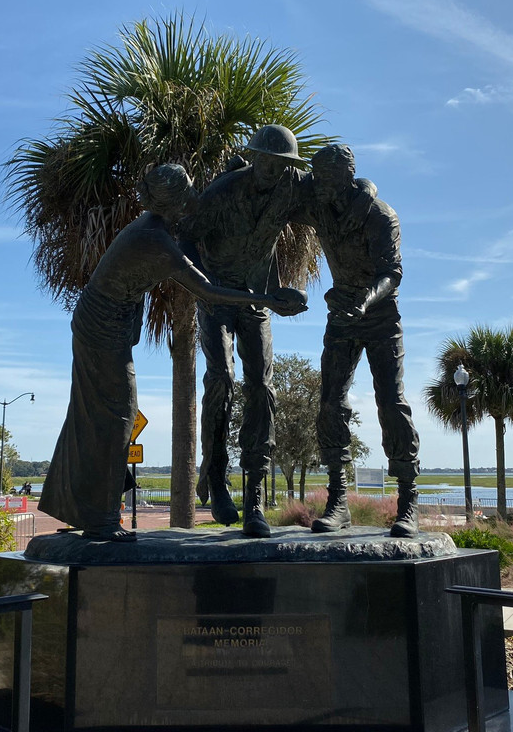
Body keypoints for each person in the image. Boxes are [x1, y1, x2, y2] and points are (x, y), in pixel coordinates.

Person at [38, 164, 306, 541]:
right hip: (101, 326)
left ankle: (86, 510)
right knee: (116, 415)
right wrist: (266, 299)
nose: (196, 198)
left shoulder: (156, 227)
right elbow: (208, 291)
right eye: (189, 194)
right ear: (175, 202)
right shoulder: (157, 241)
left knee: (102, 413)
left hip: (108, 321)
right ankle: (99, 520)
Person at [180, 125, 311, 538]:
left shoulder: (291, 188)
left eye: (283, 164)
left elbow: (331, 198)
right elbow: (184, 238)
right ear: (254, 157)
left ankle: (254, 495)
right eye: (268, 162)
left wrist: (284, 294)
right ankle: (216, 476)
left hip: (257, 302)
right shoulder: (224, 192)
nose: (275, 171)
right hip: (217, 298)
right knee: (221, 379)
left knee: (263, 389)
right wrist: (201, 284)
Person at [301, 144, 422, 537]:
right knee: (330, 401)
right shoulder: (319, 202)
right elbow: (281, 192)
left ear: (346, 177)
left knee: (391, 400)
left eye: (327, 178)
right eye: (317, 177)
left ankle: (408, 501)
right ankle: (338, 500)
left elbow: (393, 274)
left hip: (381, 316)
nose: (319, 185)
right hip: (341, 317)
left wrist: (365, 302)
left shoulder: (380, 215)